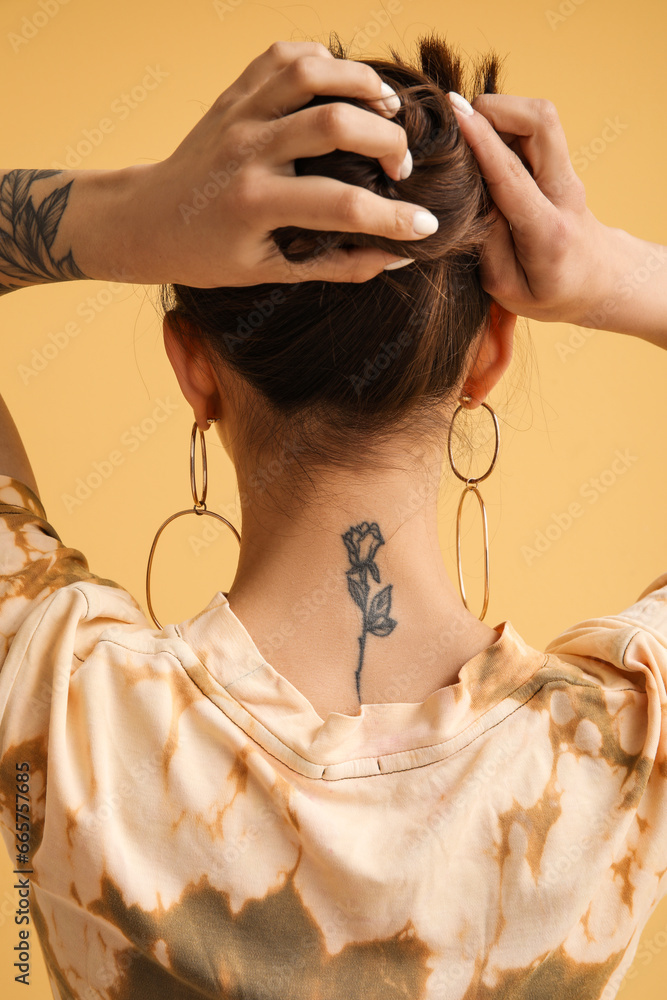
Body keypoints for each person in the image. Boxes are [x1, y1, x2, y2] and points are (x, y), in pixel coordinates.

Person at [0, 33, 665, 1000]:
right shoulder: (620, 750)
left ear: (192, 365)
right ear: (489, 357)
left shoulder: (58, 701)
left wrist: (128, 219)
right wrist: (611, 274)